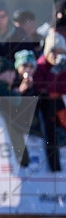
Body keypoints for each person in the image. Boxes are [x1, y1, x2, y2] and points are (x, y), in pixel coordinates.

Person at [34, 31, 66, 172]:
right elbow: (41, 87)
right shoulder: (40, 66)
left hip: (62, 107)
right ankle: (55, 169)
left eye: (60, 52)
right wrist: (54, 72)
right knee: (50, 138)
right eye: (53, 51)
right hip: (47, 108)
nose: (56, 55)